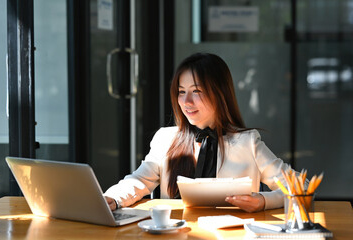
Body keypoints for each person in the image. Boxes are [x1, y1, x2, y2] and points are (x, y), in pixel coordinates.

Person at [104, 52, 297, 212]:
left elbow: (298, 187)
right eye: (181, 92)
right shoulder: (166, 138)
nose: (186, 102)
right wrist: (113, 198)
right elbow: (138, 180)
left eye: (196, 91)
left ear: (220, 93)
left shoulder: (248, 142)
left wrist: (263, 201)